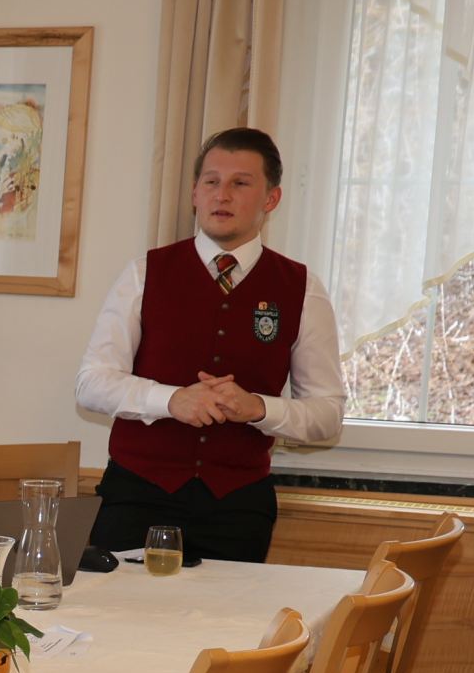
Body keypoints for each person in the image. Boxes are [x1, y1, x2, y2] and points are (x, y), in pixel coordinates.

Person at [74, 126, 344, 564]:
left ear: (271, 198)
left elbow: (327, 414)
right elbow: (91, 383)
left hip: (238, 508)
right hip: (137, 496)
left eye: (241, 183)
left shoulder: (302, 288)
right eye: (212, 181)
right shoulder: (144, 273)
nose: (222, 195)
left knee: (230, 613)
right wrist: (171, 400)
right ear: (195, 194)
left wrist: (258, 408)